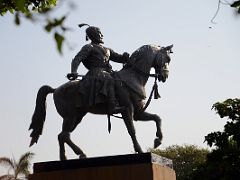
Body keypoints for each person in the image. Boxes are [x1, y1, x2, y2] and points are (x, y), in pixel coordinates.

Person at [67, 24, 129, 114]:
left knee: (120, 79)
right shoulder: (89, 47)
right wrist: (74, 71)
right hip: (96, 72)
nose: (102, 35)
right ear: (93, 35)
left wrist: (124, 57)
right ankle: (112, 106)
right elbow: (77, 59)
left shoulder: (107, 49)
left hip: (108, 72)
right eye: (100, 33)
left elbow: (118, 58)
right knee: (110, 79)